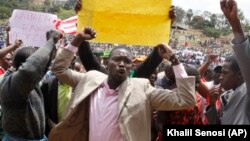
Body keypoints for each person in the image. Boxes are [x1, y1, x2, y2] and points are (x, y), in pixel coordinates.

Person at [48, 27, 196, 141]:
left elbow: (186, 100)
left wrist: (174, 60)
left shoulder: (143, 89)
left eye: (127, 62)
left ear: (131, 67)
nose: (121, 64)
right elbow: (59, 69)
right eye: (117, 60)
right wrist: (77, 40)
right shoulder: (90, 79)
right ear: (107, 62)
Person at [0, 30, 62, 140]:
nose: (41, 68)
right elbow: (31, 69)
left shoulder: (27, 82)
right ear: (24, 64)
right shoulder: (13, 85)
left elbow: (41, 67)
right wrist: (51, 41)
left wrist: (52, 43)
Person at [206, 0, 250, 124]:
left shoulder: (246, 91)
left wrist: (234, 23)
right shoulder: (226, 96)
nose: (220, 77)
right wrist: (212, 105)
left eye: (225, 73)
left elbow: (246, 61)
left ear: (241, 74)